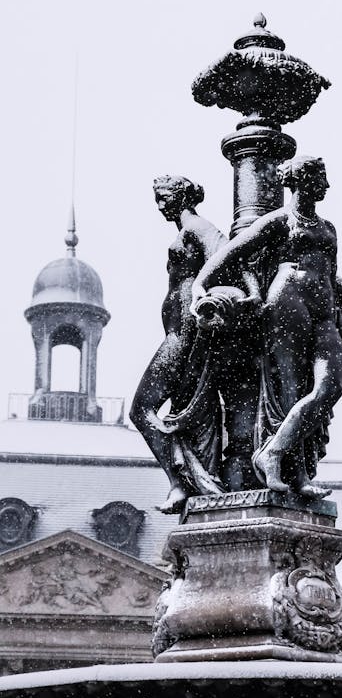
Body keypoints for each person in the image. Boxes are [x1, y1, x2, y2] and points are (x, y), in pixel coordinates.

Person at [191, 156, 342, 498]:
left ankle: (272, 451)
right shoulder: (279, 221)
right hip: (288, 301)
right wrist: (199, 287)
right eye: (321, 179)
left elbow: (333, 277)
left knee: (329, 387)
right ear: (301, 181)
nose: (326, 186)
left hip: (322, 311)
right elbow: (232, 252)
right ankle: (296, 473)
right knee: (290, 390)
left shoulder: (328, 227)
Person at [130, 174, 228, 513]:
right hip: (179, 328)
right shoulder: (184, 232)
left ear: (183, 195)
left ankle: (180, 479)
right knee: (178, 407)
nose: (160, 204)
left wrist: (203, 295)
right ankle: (188, 475)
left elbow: (223, 252)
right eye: (157, 197)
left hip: (185, 330)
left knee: (141, 409)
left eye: (166, 196)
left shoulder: (197, 227)